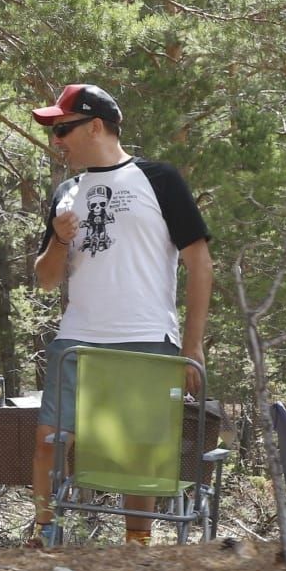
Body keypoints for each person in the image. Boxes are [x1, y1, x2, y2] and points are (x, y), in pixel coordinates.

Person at [28, 83, 214, 547]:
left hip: (146, 333)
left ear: (96, 126)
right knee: (50, 440)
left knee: (138, 454)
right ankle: (45, 531)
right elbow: (46, 278)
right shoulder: (67, 192)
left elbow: (200, 263)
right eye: (53, 132)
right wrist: (58, 239)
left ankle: (137, 543)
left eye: (63, 129)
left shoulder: (160, 178)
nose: (57, 140)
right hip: (78, 336)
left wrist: (193, 344)